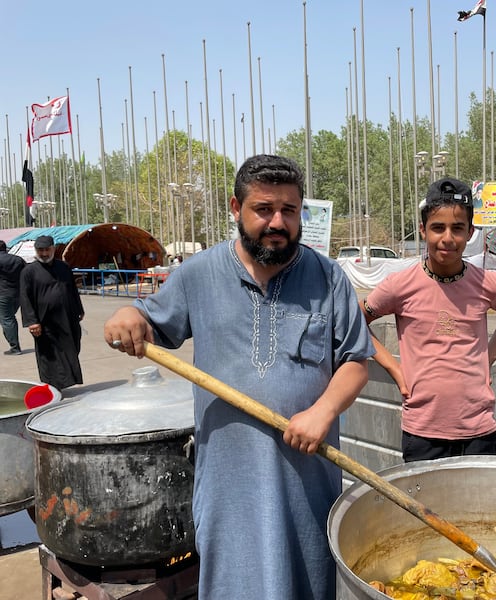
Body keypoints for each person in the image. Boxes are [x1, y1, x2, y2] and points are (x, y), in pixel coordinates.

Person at [104, 154, 374, 600]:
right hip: (229, 482)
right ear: (236, 208)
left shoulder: (329, 278)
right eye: (263, 209)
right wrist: (126, 312)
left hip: (307, 480)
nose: (277, 222)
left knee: (310, 581)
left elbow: (356, 361)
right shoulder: (197, 274)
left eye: (289, 210)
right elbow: (148, 320)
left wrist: (324, 410)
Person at [361, 177, 496, 462]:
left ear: (470, 232)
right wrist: (396, 370)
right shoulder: (399, 285)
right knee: (425, 508)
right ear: (423, 231)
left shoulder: (489, 284)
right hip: (423, 432)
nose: (447, 238)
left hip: (479, 431)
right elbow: (357, 320)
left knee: (478, 507)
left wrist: (488, 356)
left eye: (457, 228)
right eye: (438, 228)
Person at [20, 235, 84, 389]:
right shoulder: (29, 271)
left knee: (71, 348)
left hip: (68, 318)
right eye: (40, 250)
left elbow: (72, 290)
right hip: (44, 321)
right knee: (49, 354)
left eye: (47, 249)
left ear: (53, 249)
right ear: (36, 251)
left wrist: (79, 309)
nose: (44, 253)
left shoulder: (63, 267)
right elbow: (24, 297)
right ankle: (51, 386)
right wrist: (32, 321)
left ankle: (67, 381)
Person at [0, 240, 26, 355]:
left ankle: (15, 347)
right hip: (17, 294)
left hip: (3, 294)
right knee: (8, 318)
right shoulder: (18, 259)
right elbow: (27, 273)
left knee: (7, 319)